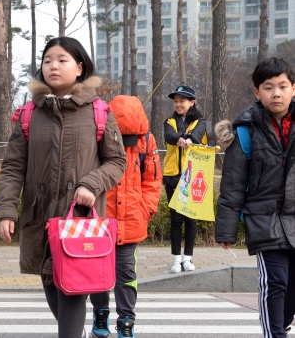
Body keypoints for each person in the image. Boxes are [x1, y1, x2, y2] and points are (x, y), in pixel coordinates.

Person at [0, 37, 127, 338]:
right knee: (51, 286)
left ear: (79, 67)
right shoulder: (29, 114)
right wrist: (6, 211)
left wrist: (91, 184)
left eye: (62, 59)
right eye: (48, 60)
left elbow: (117, 161)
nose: (53, 65)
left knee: (71, 291)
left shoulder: (99, 111)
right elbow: (13, 168)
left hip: (78, 220)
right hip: (39, 220)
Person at [215, 57, 295, 338]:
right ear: (257, 92)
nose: (276, 93)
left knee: (291, 289)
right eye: (268, 87)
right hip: (264, 220)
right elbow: (233, 184)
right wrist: (226, 229)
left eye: (283, 86)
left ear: (293, 89)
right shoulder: (246, 131)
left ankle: (280, 322)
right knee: (275, 283)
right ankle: (275, 334)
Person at [89, 95, 163, 338]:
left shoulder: (146, 141)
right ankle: (100, 313)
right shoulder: (97, 136)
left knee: (126, 274)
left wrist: (147, 209)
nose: (128, 143)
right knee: (97, 273)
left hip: (132, 220)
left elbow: (152, 180)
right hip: (100, 221)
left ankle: (126, 320)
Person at [162, 85, 207, 273]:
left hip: (193, 176)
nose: (178, 104)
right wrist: (179, 138)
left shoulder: (201, 121)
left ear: (192, 102)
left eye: (182, 101)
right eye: (176, 101)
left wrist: (189, 139)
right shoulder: (169, 121)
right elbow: (169, 135)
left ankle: (187, 259)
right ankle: (175, 260)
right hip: (173, 175)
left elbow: (197, 135)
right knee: (175, 219)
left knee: (190, 219)